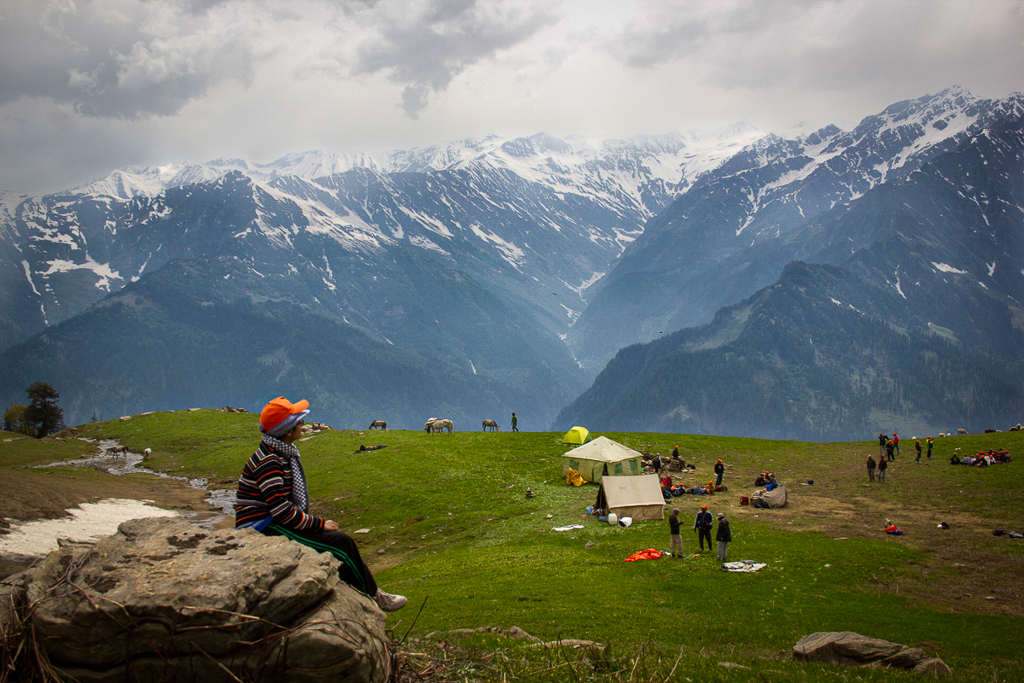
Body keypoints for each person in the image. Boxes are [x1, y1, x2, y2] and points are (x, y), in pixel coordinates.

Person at [235, 396, 407, 612]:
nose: (302, 424)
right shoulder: (269, 461)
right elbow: (281, 511)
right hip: (262, 526)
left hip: (269, 520)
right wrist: (317, 524)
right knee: (340, 543)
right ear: (287, 431)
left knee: (336, 541)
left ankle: (358, 592)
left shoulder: (278, 453)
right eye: (298, 422)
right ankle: (373, 596)